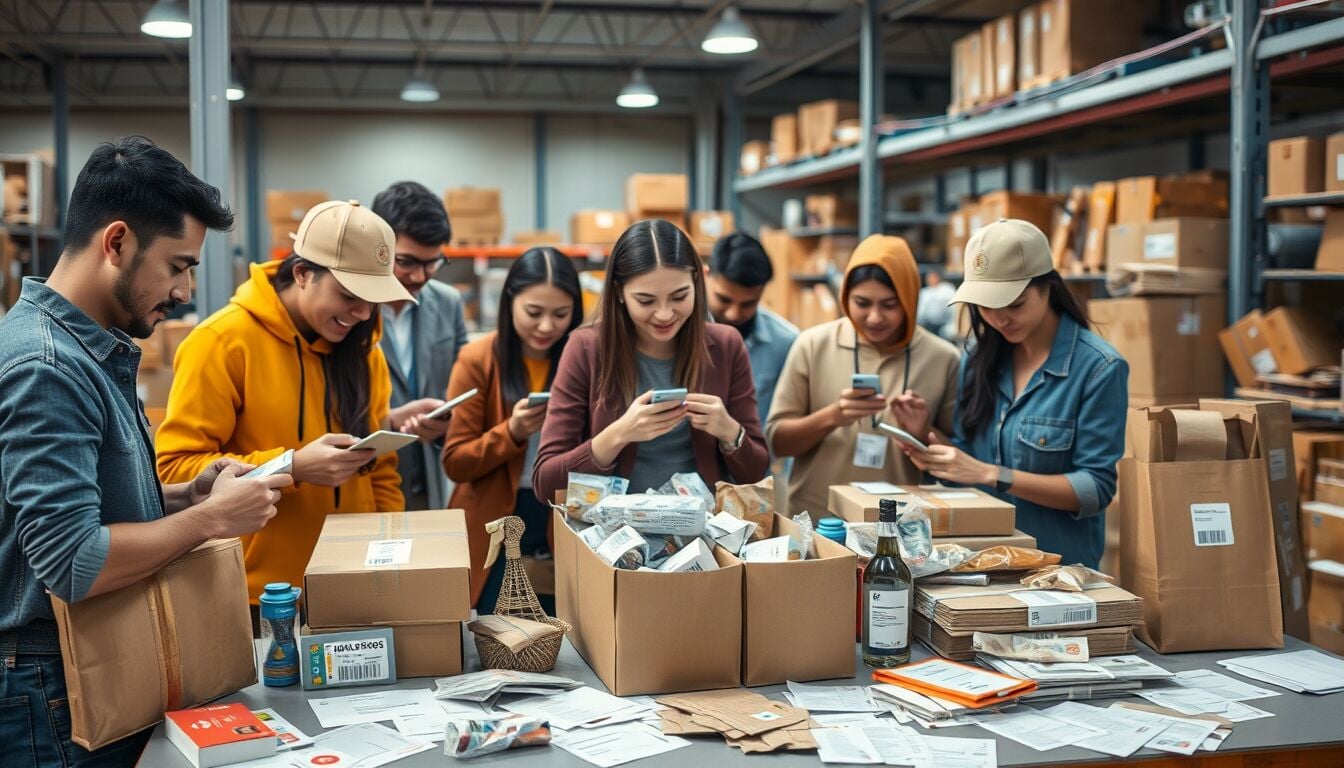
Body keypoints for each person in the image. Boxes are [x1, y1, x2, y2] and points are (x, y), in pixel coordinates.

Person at [0, 136, 289, 765]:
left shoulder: (87, 349)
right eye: (178, 265)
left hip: (78, 670)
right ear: (117, 242)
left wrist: (188, 494)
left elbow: (87, 507)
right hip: (50, 690)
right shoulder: (46, 367)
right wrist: (212, 521)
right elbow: (74, 561)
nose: (186, 290)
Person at [156, 200, 408, 618]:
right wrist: (293, 467)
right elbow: (176, 472)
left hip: (356, 585)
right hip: (259, 599)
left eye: (372, 300)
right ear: (303, 274)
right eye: (349, 295)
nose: (362, 313)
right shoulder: (221, 343)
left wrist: (391, 563)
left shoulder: (365, 352)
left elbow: (380, 468)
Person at [903, 219, 1127, 568]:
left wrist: (993, 474)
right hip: (979, 563)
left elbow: (1094, 490)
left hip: (1055, 573)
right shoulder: (979, 360)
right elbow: (969, 458)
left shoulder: (1098, 368)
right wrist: (926, 439)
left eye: (1015, 303)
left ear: (1048, 287)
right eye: (985, 306)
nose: (999, 318)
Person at [533, 219, 769, 502]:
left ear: (698, 282)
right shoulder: (585, 348)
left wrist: (730, 431)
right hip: (610, 536)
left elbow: (755, 473)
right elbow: (546, 483)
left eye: (679, 296)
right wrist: (620, 434)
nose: (664, 314)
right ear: (619, 292)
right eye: (646, 301)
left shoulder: (726, 345)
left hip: (703, 535)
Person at [766, 235, 961, 518]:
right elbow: (778, 443)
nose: (874, 317)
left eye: (890, 304)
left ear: (909, 298)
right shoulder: (813, 345)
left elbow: (959, 463)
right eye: (862, 302)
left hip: (902, 526)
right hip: (818, 520)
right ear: (845, 297)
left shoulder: (942, 358)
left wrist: (923, 432)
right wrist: (833, 416)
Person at [441, 248, 582, 613]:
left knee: (559, 635)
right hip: (496, 522)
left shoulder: (582, 360)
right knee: (498, 633)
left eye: (561, 314)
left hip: (561, 514)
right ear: (509, 302)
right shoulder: (478, 359)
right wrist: (512, 431)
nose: (547, 326)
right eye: (533, 313)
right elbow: (456, 462)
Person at [371, 181, 468, 510]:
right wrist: (390, 421)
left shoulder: (448, 303)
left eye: (433, 263)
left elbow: (462, 387)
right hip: (367, 478)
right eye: (407, 262)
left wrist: (446, 422)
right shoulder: (351, 311)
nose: (420, 276)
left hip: (429, 478)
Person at [706, 231, 798, 427]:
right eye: (724, 299)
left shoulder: (786, 342)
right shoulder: (677, 332)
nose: (734, 314)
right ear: (706, 276)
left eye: (748, 304)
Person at [916, 269, 958, 341]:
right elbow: (920, 311)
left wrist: (952, 324)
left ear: (938, 277)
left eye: (932, 277)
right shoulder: (924, 292)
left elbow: (953, 308)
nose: (930, 280)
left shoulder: (947, 289)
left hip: (943, 324)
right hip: (927, 324)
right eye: (929, 278)